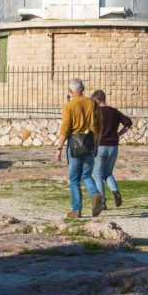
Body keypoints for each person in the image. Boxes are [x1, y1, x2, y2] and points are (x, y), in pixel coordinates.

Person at [53, 78, 104, 218]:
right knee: (86, 175)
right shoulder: (93, 104)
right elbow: (99, 127)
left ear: (70, 91)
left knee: (74, 178)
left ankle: (77, 210)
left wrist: (59, 149)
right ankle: (95, 194)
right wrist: (97, 145)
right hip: (89, 143)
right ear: (83, 88)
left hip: (75, 144)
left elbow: (65, 128)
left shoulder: (69, 106)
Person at [90, 90, 132, 210]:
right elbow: (128, 123)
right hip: (113, 146)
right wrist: (118, 134)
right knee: (108, 173)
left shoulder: (96, 113)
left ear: (98, 100)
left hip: (100, 146)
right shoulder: (114, 111)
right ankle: (115, 191)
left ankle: (102, 202)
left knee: (97, 174)